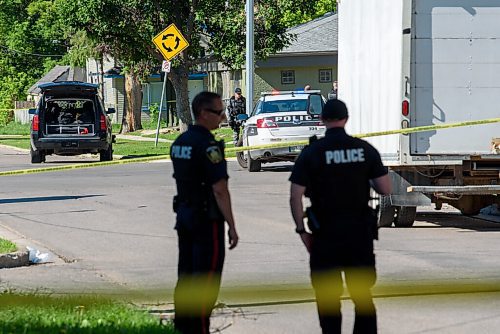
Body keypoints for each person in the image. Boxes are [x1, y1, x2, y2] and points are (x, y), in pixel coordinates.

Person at [289, 99, 391, 334]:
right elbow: (385, 188)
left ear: (323, 120)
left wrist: (301, 231)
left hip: (325, 235)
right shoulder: (364, 149)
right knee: (363, 296)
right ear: (346, 119)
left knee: (328, 298)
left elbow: (295, 197)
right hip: (358, 233)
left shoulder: (312, 152)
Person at [171, 91, 239, 334]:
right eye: (219, 112)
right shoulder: (208, 146)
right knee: (206, 280)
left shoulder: (180, 143)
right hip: (205, 220)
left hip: (185, 216)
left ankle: (182, 327)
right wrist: (231, 225)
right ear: (203, 113)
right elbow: (220, 190)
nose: (222, 117)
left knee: (187, 275)